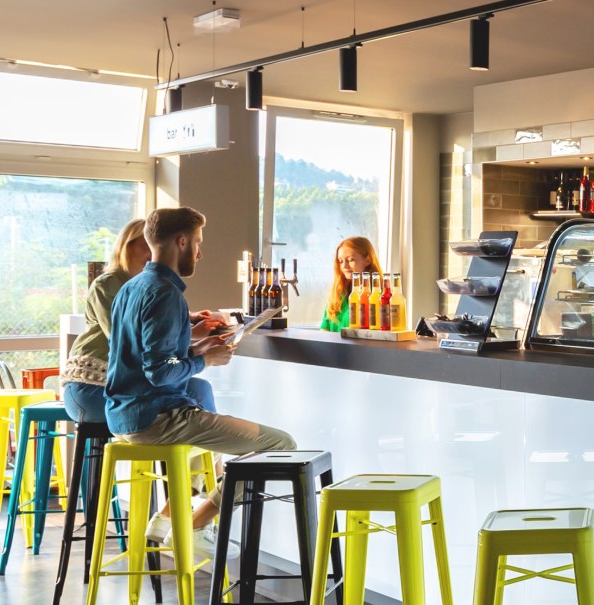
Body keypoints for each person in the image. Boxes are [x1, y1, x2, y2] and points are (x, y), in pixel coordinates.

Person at [105, 207, 296, 558]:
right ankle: (197, 524)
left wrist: (195, 346)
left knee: (219, 447)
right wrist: (203, 360)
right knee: (281, 444)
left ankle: (165, 521)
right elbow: (160, 371)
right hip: (157, 417)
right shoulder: (165, 293)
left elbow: (147, 356)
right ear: (181, 242)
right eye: (197, 243)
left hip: (124, 414)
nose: (200, 252)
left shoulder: (132, 288)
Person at [60, 218, 225, 424]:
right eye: (147, 244)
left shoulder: (148, 286)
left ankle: (195, 453)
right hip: (92, 385)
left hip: (125, 387)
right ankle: (201, 451)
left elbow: (152, 345)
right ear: (126, 246)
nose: (155, 252)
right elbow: (127, 339)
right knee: (195, 390)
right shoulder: (108, 283)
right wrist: (192, 336)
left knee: (197, 388)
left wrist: (187, 322)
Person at [320, 236, 383, 331]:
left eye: (350, 260)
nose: (344, 266)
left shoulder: (377, 296)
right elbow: (324, 329)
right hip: (334, 346)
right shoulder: (337, 294)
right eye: (341, 261)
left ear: (367, 260)